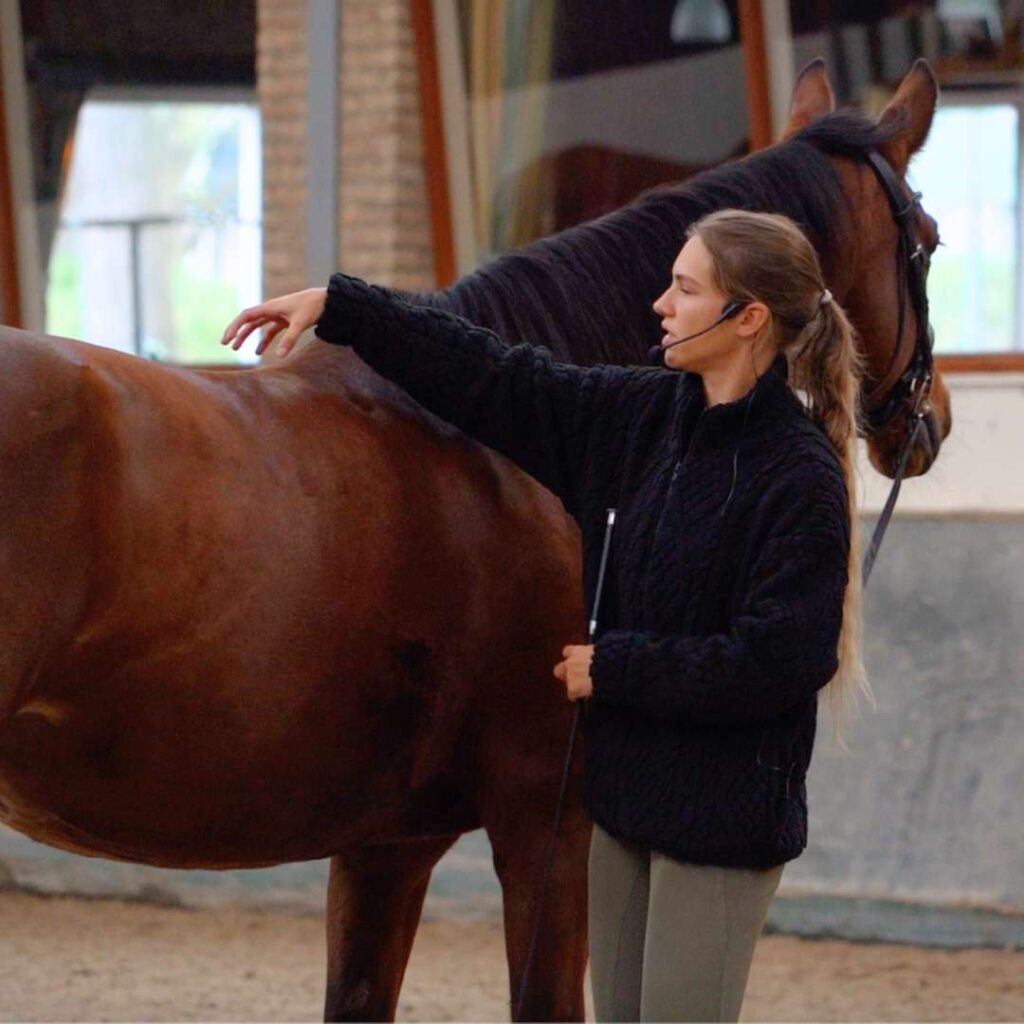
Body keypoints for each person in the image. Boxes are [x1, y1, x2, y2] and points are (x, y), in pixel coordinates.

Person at [221, 208, 875, 1022]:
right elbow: (493, 376)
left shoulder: (797, 473)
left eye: (684, 289)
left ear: (747, 320)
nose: (660, 306)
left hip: (720, 825)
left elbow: (783, 660)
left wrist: (615, 667)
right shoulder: (636, 418)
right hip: (624, 811)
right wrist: (340, 306)